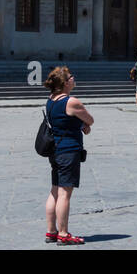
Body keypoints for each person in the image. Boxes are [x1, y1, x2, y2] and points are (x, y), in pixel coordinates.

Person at [44, 66, 93, 245]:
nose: (74, 78)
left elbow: (63, 122)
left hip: (54, 150)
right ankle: (63, 234)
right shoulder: (71, 102)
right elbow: (90, 120)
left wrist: (78, 125)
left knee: (55, 190)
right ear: (65, 83)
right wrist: (82, 124)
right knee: (65, 194)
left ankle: (51, 232)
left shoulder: (51, 99)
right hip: (68, 151)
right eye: (71, 77)